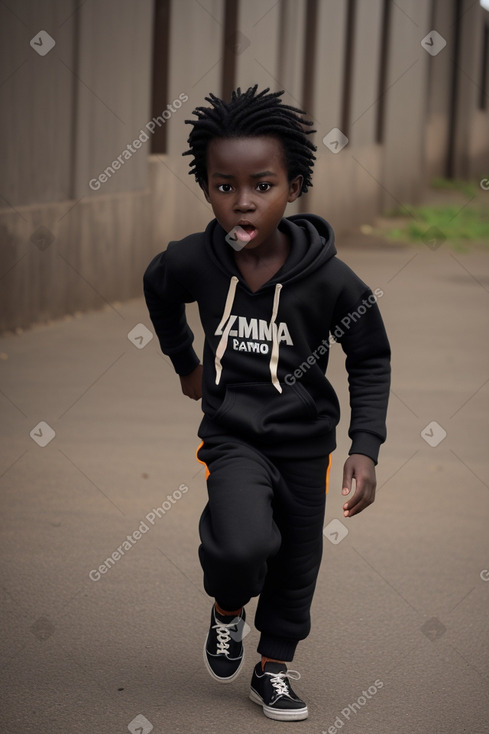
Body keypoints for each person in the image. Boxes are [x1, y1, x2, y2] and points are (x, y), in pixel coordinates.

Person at [143, 86, 391, 722]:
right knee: (238, 546)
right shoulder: (195, 260)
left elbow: (370, 356)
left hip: (307, 447)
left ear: (295, 185)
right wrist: (185, 364)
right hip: (232, 436)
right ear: (206, 189)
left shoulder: (330, 279)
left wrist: (365, 446)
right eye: (224, 186)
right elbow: (158, 287)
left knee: (297, 563)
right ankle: (227, 611)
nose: (243, 201)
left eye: (262, 184)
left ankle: (273, 668)